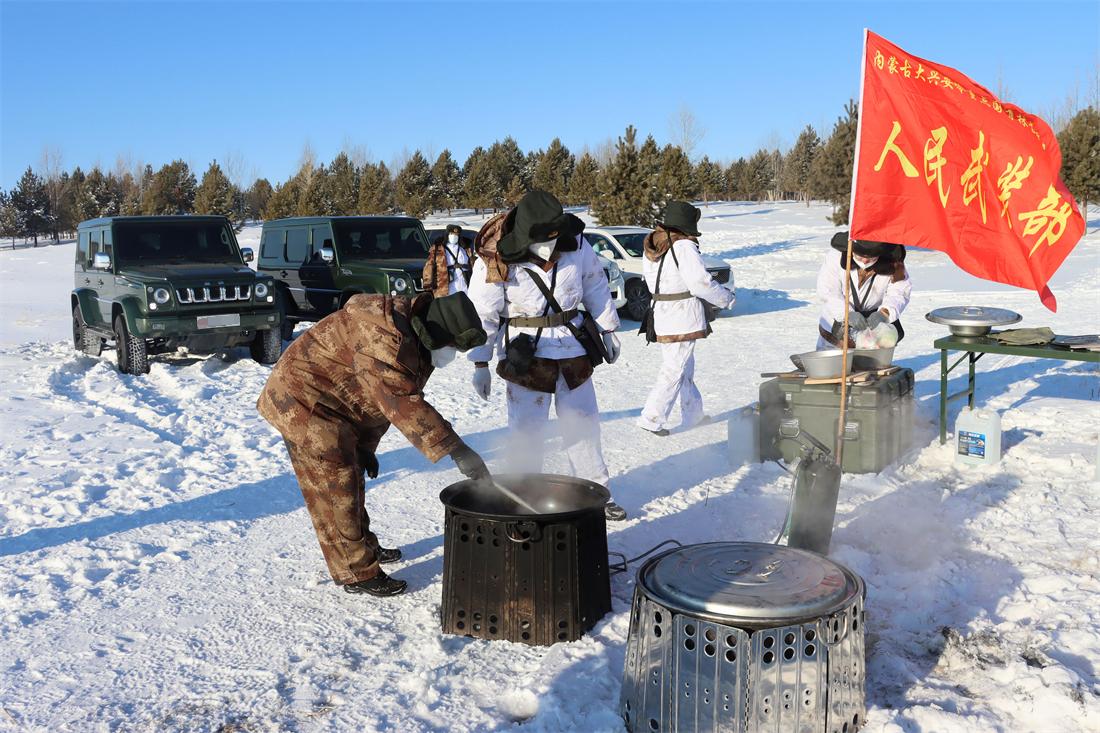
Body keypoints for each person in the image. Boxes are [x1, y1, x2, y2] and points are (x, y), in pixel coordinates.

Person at [257, 292, 490, 598]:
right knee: (336, 487)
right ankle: (356, 572)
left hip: (338, 401)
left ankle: (364, 546)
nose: (452, 355)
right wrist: (458, 451)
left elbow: (379, 400)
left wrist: (366, 446)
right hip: (304, 402)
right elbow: (404, 403)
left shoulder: (414, 333)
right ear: (438, 333)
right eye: (452, 347)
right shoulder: (386, 339)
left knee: (351, 475)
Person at [465, 190, 628, 521]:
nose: (548, 248)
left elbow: (595, 284)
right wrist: (480, 361)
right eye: (541, 241)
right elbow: (483, 313)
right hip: (525, 353)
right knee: (527, 430)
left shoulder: (577, 244)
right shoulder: (495, 258)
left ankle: (596, 491)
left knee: (583, 424)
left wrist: (608, 327)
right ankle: (525, 496)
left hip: (573, 347)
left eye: (553, 239)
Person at [637, 201, 736, 437]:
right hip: (680, 313)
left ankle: (693, 414)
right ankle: (651, 418)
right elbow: (700, 283)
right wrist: (726, 298)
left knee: (684, 366)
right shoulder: (683, 246)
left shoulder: (654, 244)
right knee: (674, 368)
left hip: (662, 311)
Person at [816, 231, 911, 350]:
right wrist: (846, 314)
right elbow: (828, 291)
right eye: (860, 256)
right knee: (831, 366)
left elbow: (900, 291)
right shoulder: (835, 256)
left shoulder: (893, 263)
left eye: (872, 257)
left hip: (874, 331)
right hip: (835, 329)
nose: (865, 261)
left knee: (871, 367)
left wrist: (885, 313)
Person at [423, 224, 474, 296]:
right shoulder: (439, 250)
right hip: (444, 286)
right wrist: (428, 284)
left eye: (456, 235)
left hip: (464, 285)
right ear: (447, 235)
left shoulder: (464, 249)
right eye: (451, 234)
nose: (454, 236)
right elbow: (429, 266)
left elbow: (471, 264)